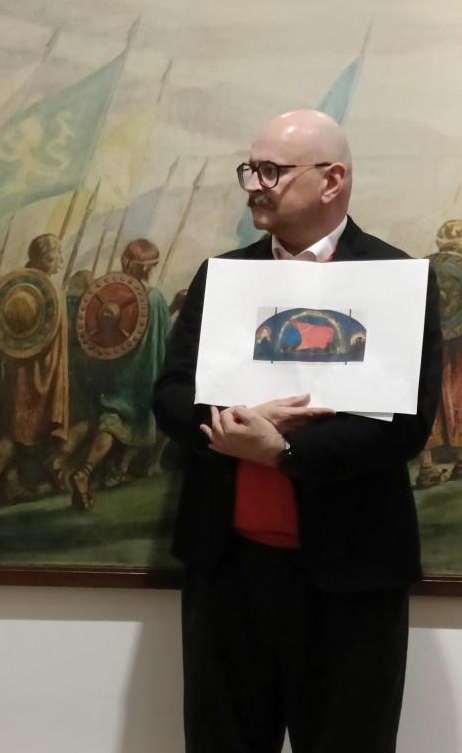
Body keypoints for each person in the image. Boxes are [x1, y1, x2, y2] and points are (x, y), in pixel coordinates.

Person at [152, 109, 441, 753]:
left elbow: (406, 425)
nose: (254, 185)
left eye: (271, 171)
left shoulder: (399, 278)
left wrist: (282, 451)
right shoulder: (221, 275)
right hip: (227, 572)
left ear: (331, 179)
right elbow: (170, 396)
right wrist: (232, 427)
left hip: (352, 575)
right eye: (251, 169)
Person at [0, 233, 68, 518]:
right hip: (34, 375)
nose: (60, 260)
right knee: (18, 432)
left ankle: (11, 484)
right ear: (43, 257)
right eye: (57, 254)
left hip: (26, 371)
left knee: (20, 429)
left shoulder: (31, 285)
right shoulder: (42, 289)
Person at [69, 239, 170, 510]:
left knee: (112, 422)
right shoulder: (155, 298)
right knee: (140, 422)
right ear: (147, 268)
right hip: (144, 376)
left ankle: (89, 470)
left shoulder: (110, 293)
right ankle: (111, 471)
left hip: (115, 373)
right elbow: (164, 339)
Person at [416, 218, 462, 487]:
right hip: (457, 349)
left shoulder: (422, 265)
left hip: (426, 347)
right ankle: (460, 462)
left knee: (428, 403)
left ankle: (426, 467)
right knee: (458, 399)